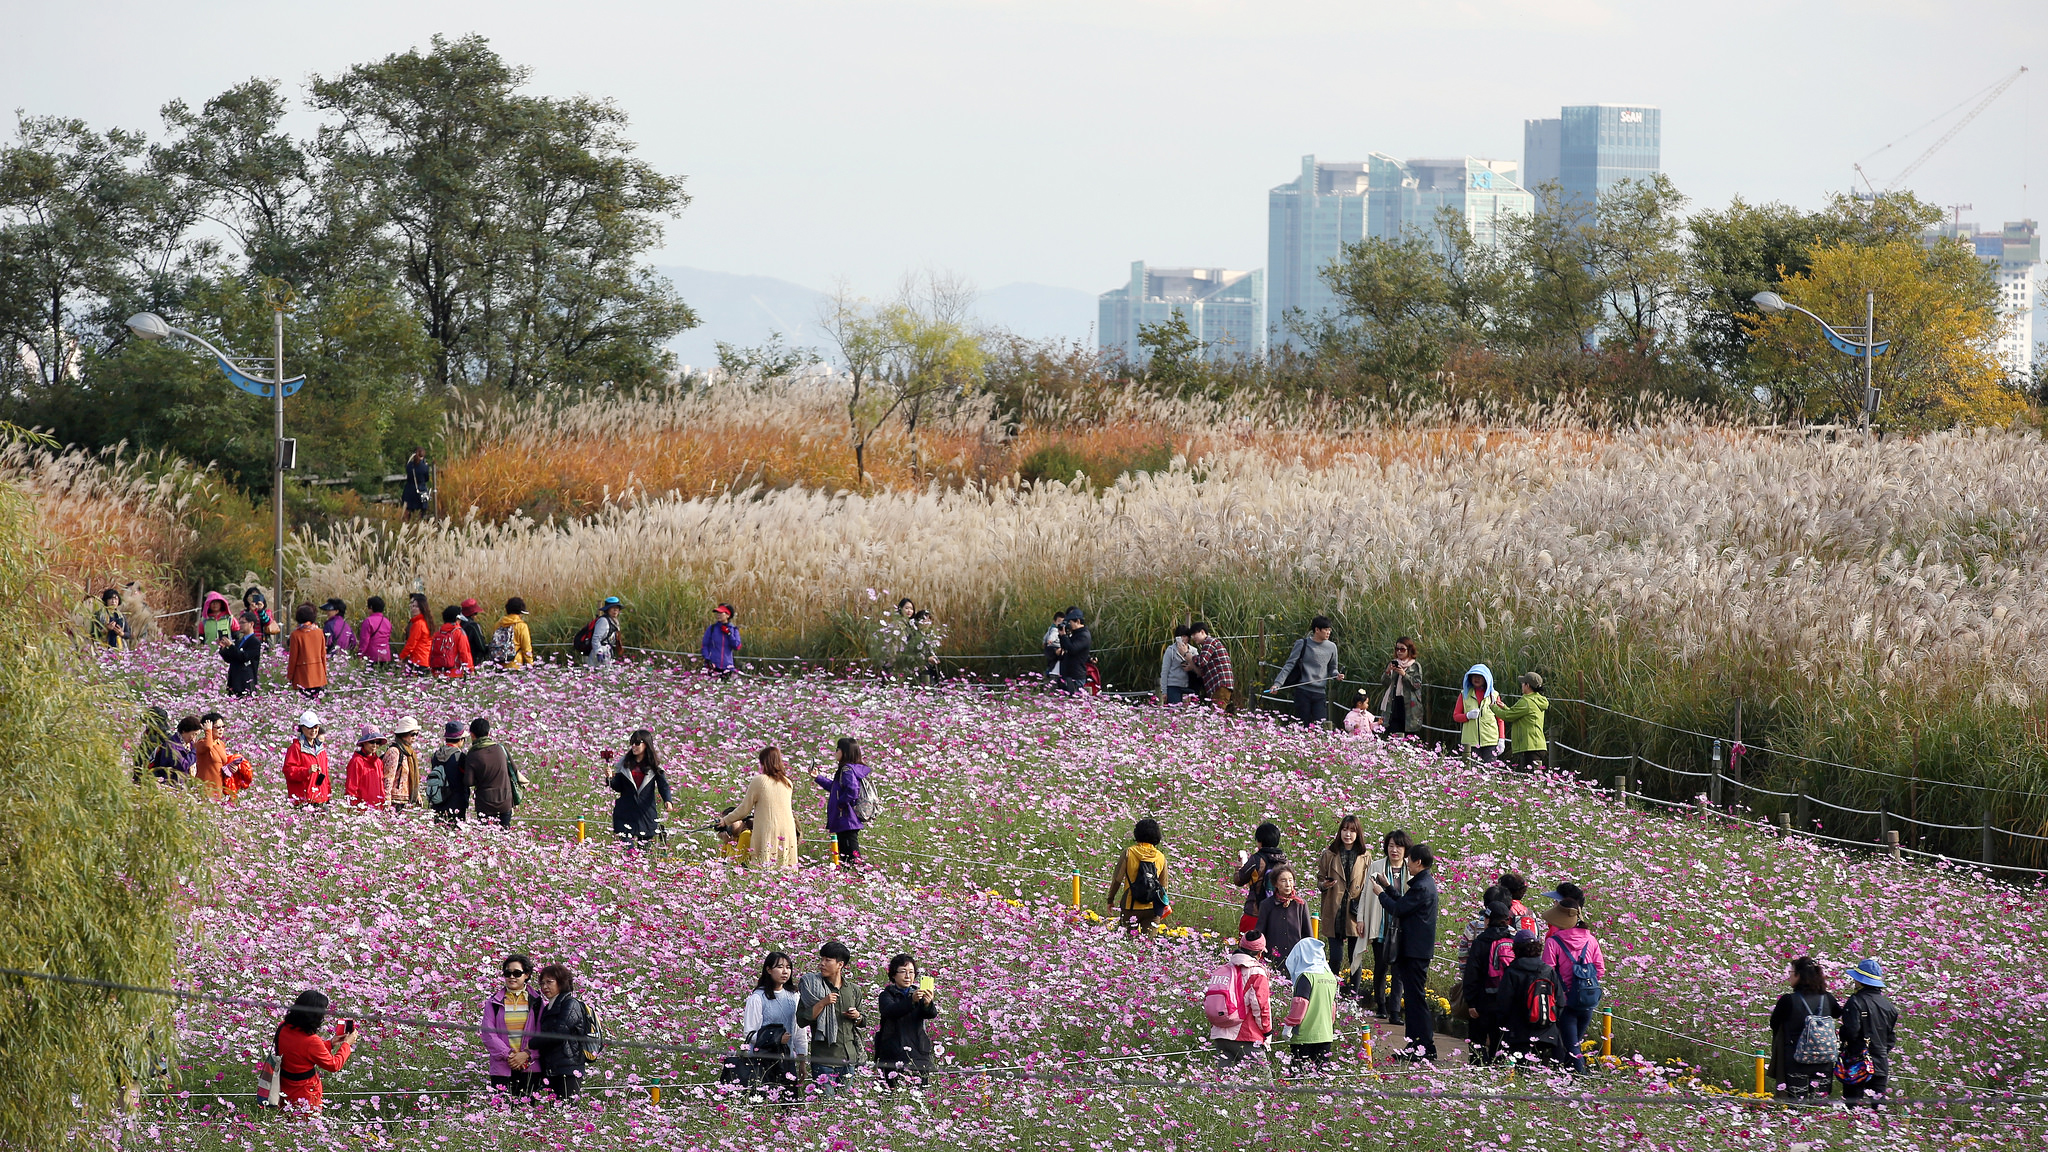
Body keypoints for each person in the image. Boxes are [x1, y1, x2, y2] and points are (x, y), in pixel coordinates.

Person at [1374, 840, 1440, 1061]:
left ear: (1418, 862)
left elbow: (1398, 909)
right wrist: (1388, 887)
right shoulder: (1424, 883)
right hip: (1415, 950)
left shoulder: (1422, 886)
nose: (1406, 863)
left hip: (1415, 951)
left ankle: (1425, 1047)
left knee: (1416, 1000)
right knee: (1412, 1000)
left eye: (1409, 860)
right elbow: (1405, 903)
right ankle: (1415, 1046)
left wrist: (1380, 894)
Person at [1539, 888, 1606, 1073]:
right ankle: (1568, 1077)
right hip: (1587, 1001)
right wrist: (1583, 983)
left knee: (1572, 1045)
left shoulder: (1554, 942)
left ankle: (1582, 1079)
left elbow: (1547, 972)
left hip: (1565, 1002)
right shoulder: (1591, 940)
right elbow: (1600, 969)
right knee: (1575, 1041)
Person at [799, 941, 866, 1099]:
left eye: (827, 960)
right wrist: (822, 1003)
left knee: (845, 1106)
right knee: (826, 1105)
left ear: (840, 964)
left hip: (848, 1059)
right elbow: (802, 1019)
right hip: (824, 1059)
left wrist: (857, 1016)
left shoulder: (853, 990)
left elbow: (863, 1021)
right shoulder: (812, 987)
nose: (822, 964)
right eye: (821, 959)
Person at [1769, 956, 1841, 1099]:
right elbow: (1838, 1014)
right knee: (1819, 1104)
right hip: (1824, 1059)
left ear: (1799, 975)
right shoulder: (1828, 998)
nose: (1789, 976)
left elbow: (1774, 1024)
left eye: (1791, 972)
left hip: (1796, 1059)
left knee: (1796, 1103)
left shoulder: (1788, 1000)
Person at [1355, 829, 1410, 1015]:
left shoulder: (1410, 869)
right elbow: (1364, 893)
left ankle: (1394, 1011)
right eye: (1391, 846)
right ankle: (1381, 1006)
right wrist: (1361, 918)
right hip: (1380, 924)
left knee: (1399, 970)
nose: (1394, 850)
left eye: (1398, 846)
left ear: (1405, 849)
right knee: (1381, 966)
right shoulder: (1377, 866)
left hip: (1402, 927)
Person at [272, 990, 354, 1112]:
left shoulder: (283, 1026)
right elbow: (333, 1065)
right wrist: (347, 1044)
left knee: (288, 1122)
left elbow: (300, 1052)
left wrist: (330, 1043)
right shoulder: (311, 1040)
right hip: (305, 1093)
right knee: (307, 1126)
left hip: (284, 1086)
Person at [741, 951, 808, 1099]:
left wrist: (802, 1060)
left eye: (788, 967)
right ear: (769, 970)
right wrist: (776, 1038)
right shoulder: (758, 997)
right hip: (762, 1062)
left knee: (788, 1104)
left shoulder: (794, 996)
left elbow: (799, 1032)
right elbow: (750, 1034)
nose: (785, 971)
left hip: (787, 1061)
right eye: (779, 967)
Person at [1491, 931, 1565, 1066]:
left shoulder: (1512, 971)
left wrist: (1502, 1026)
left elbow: (1504, 1004)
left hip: (1518, 1033)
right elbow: (1560, 1001)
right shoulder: (1548, 970)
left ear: (1516, 949)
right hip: (1547, 1032)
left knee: (1520, 1070)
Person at [722, 746, 799, 868]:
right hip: (788, 830)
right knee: (784, 865)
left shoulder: (760, 781)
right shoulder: (787, 783)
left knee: (765, 865)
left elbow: (744, 809)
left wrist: (725, 821)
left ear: (764, 762)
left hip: (768, 828)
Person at [1460, 900, 1517, 1065]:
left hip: (1482, 999)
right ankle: (1498, 1070)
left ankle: (1477, 1068)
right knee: (1500, 1040)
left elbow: (1472, 973)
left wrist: (1470, 1001)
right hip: (1506, 1000)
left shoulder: (1481, 942)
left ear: (1489, 920)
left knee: (1477, 1039)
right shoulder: (1513, 940)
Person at [1206, 932, 1273, 1071]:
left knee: (1224, 1084)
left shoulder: (1222, 969)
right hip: (1245, 1035)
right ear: (1260, 953)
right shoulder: (1256, 972)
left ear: (1240, 946)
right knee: (1262, 1082)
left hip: (1220, 1034)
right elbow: (1260, 1006)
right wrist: (1267, 1032)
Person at [1837, 958, 1898, 1107]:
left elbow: (1851, 1032)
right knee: (1878, 1108)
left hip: (1857, 1063)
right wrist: (1879, 1051)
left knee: (1852, 1108)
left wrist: (1842, 1035)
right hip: (1880, 1064)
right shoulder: (1889, 1006)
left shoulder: (1855, 1001)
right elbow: (1891, 1038)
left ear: (1860, 981)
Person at [1315, 816, 1368, 980]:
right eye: (1345, 829)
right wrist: (1325, 885)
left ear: (1358, 833)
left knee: (1355, 958)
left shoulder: (1364, 856)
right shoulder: (1330, 854)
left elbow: (1367, 886)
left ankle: (1354, 998)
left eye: (1352, 830)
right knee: (1336, 958)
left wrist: (1364, 915)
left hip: (1355, 912)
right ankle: (1331, 992)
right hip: (1334, 910)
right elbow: (1319, 880)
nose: (1348, 834)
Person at [874, 953, 939, 1089]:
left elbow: (931, 1014)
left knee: (919, 1094)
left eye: (911, 972)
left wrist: (927, 1003)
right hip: (893, 1053)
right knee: (892, 1094)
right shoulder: (886, 995)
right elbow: (891, 1011)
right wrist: (912, 1001)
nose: (908, 976)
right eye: (903, 972)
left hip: (918, 1053)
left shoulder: (918, 993)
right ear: (893, 975)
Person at [483, 954, 542, 1098]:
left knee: (527, 1112)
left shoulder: (537, 1002)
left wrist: (527, 1055)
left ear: (526, 975)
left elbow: (543, 1034)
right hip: (503, 1066)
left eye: (517, 973)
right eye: (507, 973)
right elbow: (488, 1034)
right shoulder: (494, 1002)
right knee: (502, 1112)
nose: (512, 977)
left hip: (530, 1066)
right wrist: (509, 1055)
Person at [532, 963, 592, 1100]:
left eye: (549, 982)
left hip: (569, 1067)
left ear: (561, 982)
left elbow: (559, 1033)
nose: (545, 987)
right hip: (553, 1068)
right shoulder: (548, 1007)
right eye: (542, 983)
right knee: (555, 1112)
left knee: (567, 1111)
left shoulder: (570, 1004)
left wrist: (531, 1043)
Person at [1281, 938, 1340, 1070]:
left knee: (1299, 1075)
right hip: (1325, 1034)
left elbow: (1300, 1003)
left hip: (1305, 1035)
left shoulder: (1306, 976)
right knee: (1321, 1075)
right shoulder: (1330, 976)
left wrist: (1289, 1025)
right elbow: (1332, 1006)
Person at [1270, 616, 1341, 726]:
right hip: (1303, 691)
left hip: (1320, 693)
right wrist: (1277, 684)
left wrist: (1337, 675)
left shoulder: (1332, 647)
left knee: (1321, 726)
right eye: (1326, 630)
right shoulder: (1302, 644)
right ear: (1317, 630)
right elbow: (1289, 665)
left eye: (1329, 630)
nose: (1328, 633)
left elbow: (1333, 668)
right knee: (1302, 725)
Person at [1105, 817, 1170, 930]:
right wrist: (1163, 906)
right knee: (1149, 945)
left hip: (1130, 906)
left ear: (1137, 833)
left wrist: (1110, 900)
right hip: (1153, 908)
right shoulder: (1160, 857)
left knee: (1127, 941)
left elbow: (1117, 879)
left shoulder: (1129, 853)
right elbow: (1164, 886)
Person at [609, 729, 672, 844]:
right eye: (632, 743)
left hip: (646, 814)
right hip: (625, 813)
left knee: (644, 852)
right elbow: (618, 787)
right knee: (628, 850)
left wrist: (667, 800)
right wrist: (610, 779)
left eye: (637, 743)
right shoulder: (624, 765)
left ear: (646, 744)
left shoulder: (655, 766)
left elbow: (663, 785)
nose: (634, 746)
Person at [815, 737, 869, 869]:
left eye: (837, 749)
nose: (835, 752)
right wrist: (817, 777)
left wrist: (841, 804)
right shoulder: (849, 770)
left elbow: (852, 790)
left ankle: (860, 879)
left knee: (852, 857)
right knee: (846, 857)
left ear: (844, 752)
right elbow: (835, 788)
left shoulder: (846, 770)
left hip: (846, 819)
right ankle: (852, 879)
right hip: (845, 820)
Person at [1232, 822, 1288, 934]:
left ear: (1260, 841)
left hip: (1254, 912)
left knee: (1249, 947)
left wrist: (1239, 867)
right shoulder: (1284, 862)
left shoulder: (1256, 859)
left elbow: (1239, 880)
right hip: (1278, 913)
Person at [1253, 866, 1313, 968]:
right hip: (1273, 957)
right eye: (1283, 880)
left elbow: (1308, 934)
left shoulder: (1300, 904)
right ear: (1275, 884)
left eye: (1290, 880)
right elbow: (1260, 931)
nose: (1288, 884)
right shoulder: (1267, 904)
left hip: (1296, 957)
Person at [466, 717, 520, 828]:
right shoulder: (501, 749)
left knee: (486, 837)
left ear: (472, 734)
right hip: (505, 800)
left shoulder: (473, 754)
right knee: (505, 834)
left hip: (485, 803)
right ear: (488, 733)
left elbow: (468, 781)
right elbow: (514, 770)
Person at [1495, 672, 1550, 770]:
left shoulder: (1526, 702)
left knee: (1531, 781)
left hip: (1530, 747)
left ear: (1527, 685)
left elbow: (1508, 716)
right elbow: (1516, 714)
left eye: (1523, 683)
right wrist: (1504, 707)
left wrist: (1492, 707)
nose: (1521, 685)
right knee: (1533, 779)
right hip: (1538, 745)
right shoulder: (1537, 700)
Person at [193, 712, 253, 800]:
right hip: (204, 787)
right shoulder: (201, 743)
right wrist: (208, 732)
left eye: (223, 727)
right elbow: (208, 746)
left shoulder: (221, 744)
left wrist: (233, 769)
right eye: (218, 727)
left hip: (218, 787)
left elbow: (223, 764)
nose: (221, 730)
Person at [281, 711, 331, 806]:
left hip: (321, 798)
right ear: (302, 728)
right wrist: (306, 771)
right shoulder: (296, 748)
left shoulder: (321, 748)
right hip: (304, 799)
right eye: (309, 728)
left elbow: (326, 774)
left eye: (315, 727)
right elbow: (288, 771)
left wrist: (327, 795)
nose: (313, 730)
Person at [1455, 664, 1504, 761]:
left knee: (1490, 772)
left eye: (1480, 676)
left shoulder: (1494, 695)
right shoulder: (1464, 694)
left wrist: (1501, 739)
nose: (1476, 678)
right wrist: (1467, 716)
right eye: (1474, 676)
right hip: (1470, 743)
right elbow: (1456, 716)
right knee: (1470, 772)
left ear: (1486, 678)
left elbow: (1500, 719)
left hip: (1490, 742)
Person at [1377, 637, 1423, 738]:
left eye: (1402, 649)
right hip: (1393, 702)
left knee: (1408, 736)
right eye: (1397, 649)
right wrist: (1388, 672)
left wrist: (1404, 674)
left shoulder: (1414, 666)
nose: (1399, 652)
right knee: (1392, 734)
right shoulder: (1393, 663)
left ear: (1409, 650)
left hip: (1409, 706)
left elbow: (1416, 685)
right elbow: (1384, 683)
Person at [426, 721, 470, 824]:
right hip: (456, 803)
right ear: (460, 740)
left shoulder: (436, 755)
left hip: (438, 799)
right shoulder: (460, 757)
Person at [1189, 621, 1236, 713]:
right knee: (1219, 715)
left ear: (1202, 632)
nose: (1193, 637)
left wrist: (1190, 657)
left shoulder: (1209, 642)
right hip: (1219, 686)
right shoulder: (1207, 645)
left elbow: (1202, 661)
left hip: (1220, 685)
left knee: (1216, 716)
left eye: (1194, 634)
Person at [286, 603, 328, 698]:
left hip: (302, 675)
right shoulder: (319, 632)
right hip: (318, 673)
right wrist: (324, 672)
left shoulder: (295, 635)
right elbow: (323, 655)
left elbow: (293, 658)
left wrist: (290, 676)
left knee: (304, 703)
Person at [383, 716, 424, 809]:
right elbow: (388, 777)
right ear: (403, 734)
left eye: (416, 734)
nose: (414, 737)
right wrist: (387, 800)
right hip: (394, 800)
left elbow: (411, 777)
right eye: (412, 734)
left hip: (405, 800)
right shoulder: (394, 751)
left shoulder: (410, 753)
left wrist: (417, 794)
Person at [343, 727, 389, 808]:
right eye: (371, 742)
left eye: (377, 742)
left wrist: (383, 804)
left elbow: (381, 786)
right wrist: (354, 806)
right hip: (361, 808)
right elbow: (351, 787)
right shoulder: (357, 761)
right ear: (364, 743)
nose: (375, 745)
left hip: (377, 808)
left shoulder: (378, 762)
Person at [431, 605, 476, 677]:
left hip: (438, 672)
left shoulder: (438, 632)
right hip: (454, 673)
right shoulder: (458, 632)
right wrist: (470, 670)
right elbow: (464, 653)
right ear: (457, 618)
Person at [1054, 610, 1091, 695]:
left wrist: (1064, 636)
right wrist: (1062, 636)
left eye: (1069, 622)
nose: (1068, 625)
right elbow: (1066, 648)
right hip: (1067, 675)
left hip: (1076, 676)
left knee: (1074, 701)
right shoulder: (1075, 634)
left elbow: (1072, 649)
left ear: (1078, 621)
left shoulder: (1084, 635)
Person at [219, 627, 264, 696]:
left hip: (245, 682)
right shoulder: (239, 641)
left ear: (251, 624)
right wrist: (223, 649)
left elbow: (244, 657)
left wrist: (231, 646)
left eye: (243, 623)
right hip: (234, 680)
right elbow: (231, 658)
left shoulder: (255, 642)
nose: (241, 625)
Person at [701, 603, 743, 675]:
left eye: (721, 613)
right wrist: (707, 659)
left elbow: (737, 646)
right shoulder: (712, 628)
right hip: (713, 665)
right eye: (717, 613)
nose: (718, 615)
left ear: (728, 615)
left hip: (727, 666)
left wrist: (729, 634)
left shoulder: (734, 629)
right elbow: (704, 645)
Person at [492, 597, 534, 667]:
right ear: (520, 612)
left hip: (499, 663)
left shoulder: (498, 624)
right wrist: (530, 664)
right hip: (515, 663)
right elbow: (526, 648)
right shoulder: (522, 626)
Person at [1159, 624, 1195, 704]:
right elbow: (1165, 671)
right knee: (1175, 711)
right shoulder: (1170, 650)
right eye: (1180, 636)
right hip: (1173, 686)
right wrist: (1164, 691)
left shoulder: (1193, 650)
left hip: (1189, 685)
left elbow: (1198, 667)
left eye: (1185, 636)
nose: (1182, 639)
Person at [356, 596, 394, 670]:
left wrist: (360, 655)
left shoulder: (368, 621)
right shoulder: (387, 621)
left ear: (371, 607)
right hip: (385, 655)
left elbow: (364, 640)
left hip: (372, 655)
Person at [586, 597, 623, 667]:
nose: (615, 610)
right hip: (600, 651)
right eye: (612, 608)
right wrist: (599, 652)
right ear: (607, 610)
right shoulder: (603, 621)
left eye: (617, 608)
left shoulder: (614, 621)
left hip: (607, 651)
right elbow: (596, 638)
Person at [456, 599, 489, 666]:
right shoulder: (473, 626)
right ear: (472, 614)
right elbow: (481, 646)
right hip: (472, 660)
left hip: (457, 661)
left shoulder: (456, 623)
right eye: (476, 613)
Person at [402, 446, 432, 519]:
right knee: (422, 512)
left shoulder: (409, 466)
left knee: (409, 512)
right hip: (421, 490)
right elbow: (426, 479)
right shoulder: (424, 467)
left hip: (409, 490)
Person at [1041, 610, 1067, 681]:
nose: (1060, 624)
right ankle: (1050, 672)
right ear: (1054, 622)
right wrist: (1050, 640)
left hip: (1053, 646)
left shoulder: (1050, 628)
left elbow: (1045, 636)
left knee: (1052, 662)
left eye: (1062, 622)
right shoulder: (1055, 630)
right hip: (1055, 646)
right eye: (1059, 622)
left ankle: (1049, 672)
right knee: (1054, 661)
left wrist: (1044, 641)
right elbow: (1052, 635)